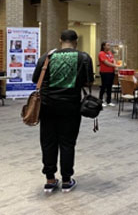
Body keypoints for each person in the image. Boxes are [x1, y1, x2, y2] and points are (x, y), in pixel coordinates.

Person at [32, 30, 94, 193]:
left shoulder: (47, 56)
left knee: (48, 142)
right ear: (76, 41)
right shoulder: (84, 57)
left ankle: (50, 179)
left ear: (60, 40)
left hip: (47, 106)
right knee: (67, 143)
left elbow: (35, 79)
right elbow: (89, 81)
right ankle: (67, 180)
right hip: (70, 107)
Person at [98, 42, 119, 107]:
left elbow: (113, 60)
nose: (109, 46)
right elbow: (106, 62)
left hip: (111, 72)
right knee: (104, 86)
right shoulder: (101, 53)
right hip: (104, 72)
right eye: (107, 45)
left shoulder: (110, 53)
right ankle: (100, 101)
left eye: (109, 45)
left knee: (109, 87)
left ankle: (108, 101)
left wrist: (115, 66)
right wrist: (115, 65)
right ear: (104, 46)